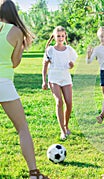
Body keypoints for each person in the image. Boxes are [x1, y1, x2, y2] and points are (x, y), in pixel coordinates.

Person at [0, 0, 49, 178]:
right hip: (3, 83)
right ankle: (34, 173)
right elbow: (14, 63)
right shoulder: (16, 31)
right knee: (22, 128)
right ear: (14, 12)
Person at [42, 26, 78, 140]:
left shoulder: (69, 50)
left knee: (69, 103)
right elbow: (45, 66)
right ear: (54, 37)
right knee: (59, 101)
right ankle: (62, 131)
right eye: (58, 36)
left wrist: (72, 65)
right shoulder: (50, 50)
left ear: (65, 36)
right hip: (54, 78)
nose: (60, 38)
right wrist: (44, 81)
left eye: (62, 36)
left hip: (66, 78)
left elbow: (71, 63)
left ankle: (66, 125)